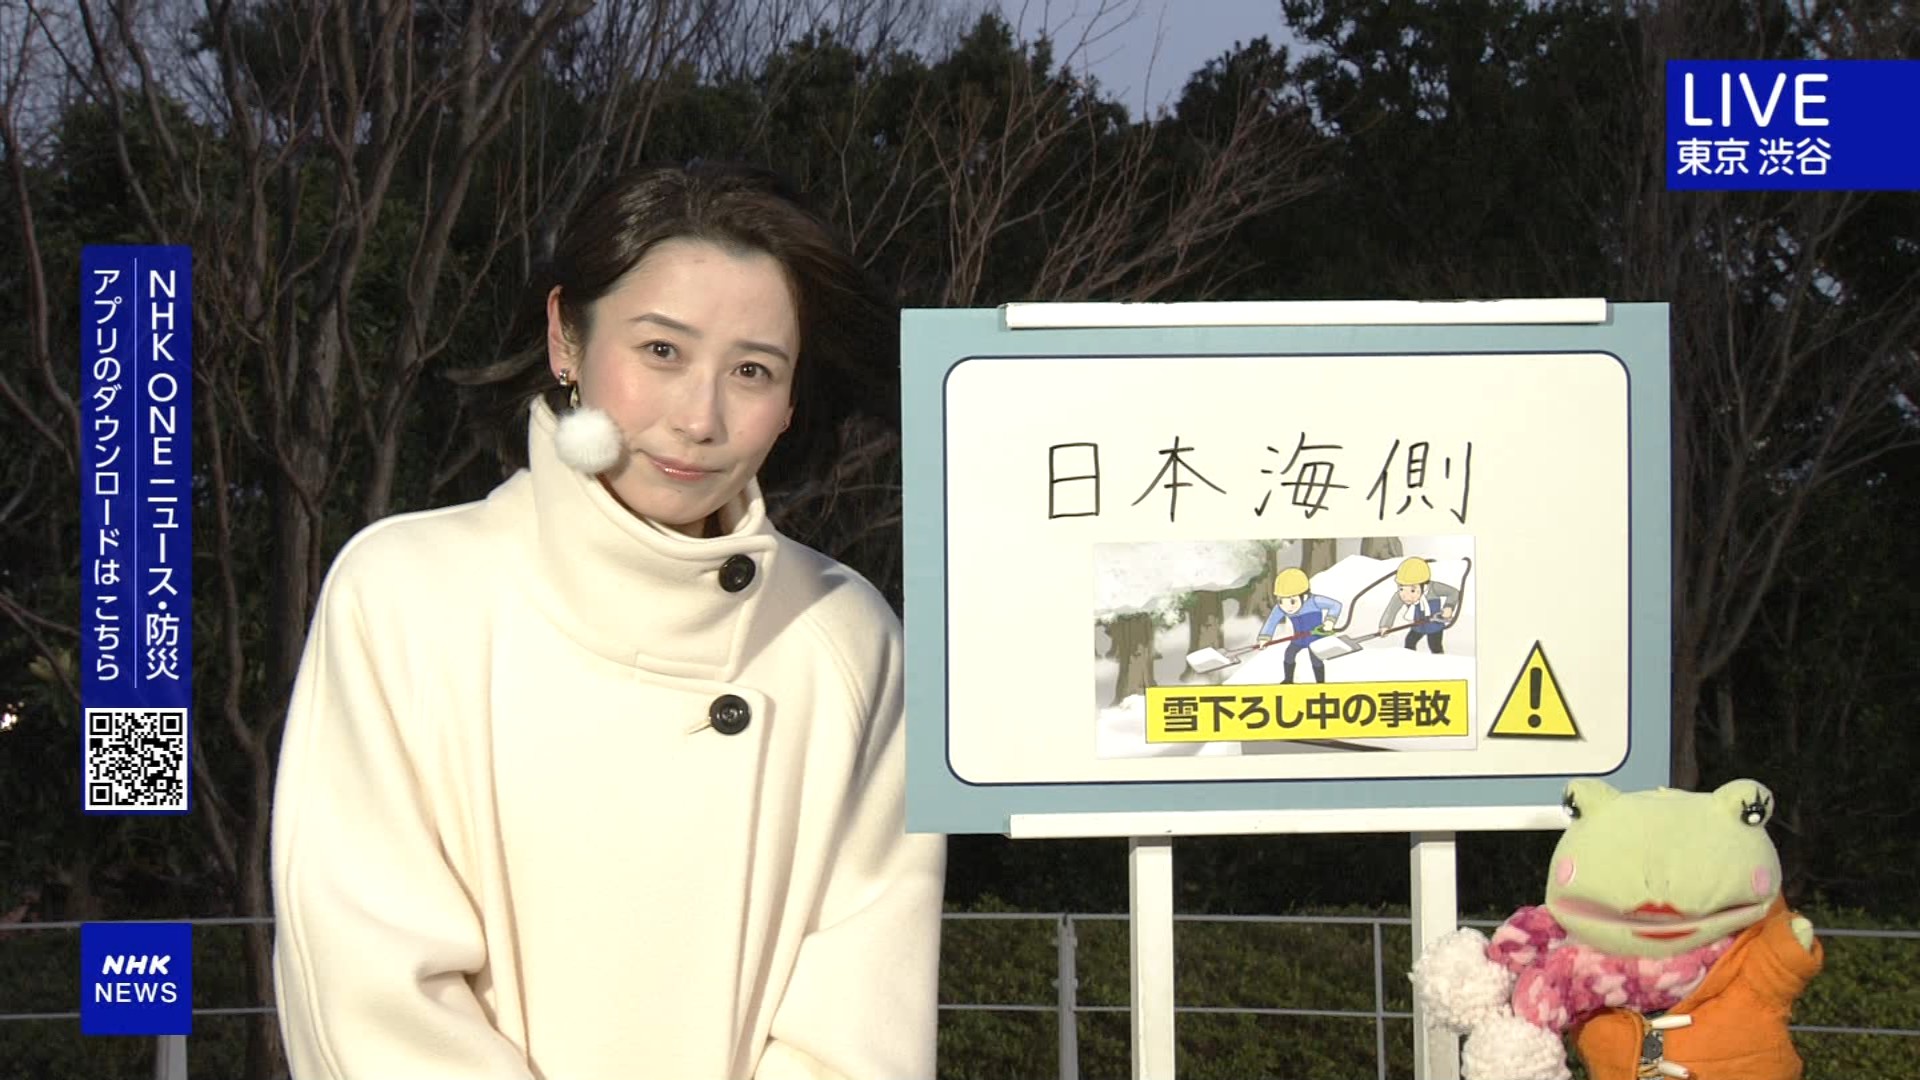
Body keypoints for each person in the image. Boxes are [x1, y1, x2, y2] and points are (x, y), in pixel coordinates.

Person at [269, 161, 946, 1080]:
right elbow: (376, 996)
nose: (700, 418)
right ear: (567, 339)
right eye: (662, 351)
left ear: (791, 402)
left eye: (752, 370)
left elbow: (859, 1025)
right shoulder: (405, 595)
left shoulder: (846, 639)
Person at [1256, 567, 1343, 684]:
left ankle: (1320, 683)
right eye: (1281, 601)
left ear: (1304, 596)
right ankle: (1288, 680)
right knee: (1289, 654)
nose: (1287, 607)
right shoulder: (1281, 608)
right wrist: (1265, 638)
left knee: (1316, 659)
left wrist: (1329, 621)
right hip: (1298, 639)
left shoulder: (1314, 601)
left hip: (1315, 637)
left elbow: (1336, 605)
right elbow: (1271, 621)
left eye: (1292, 601)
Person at [1378, 557, 1458, 654]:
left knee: (1435, 646)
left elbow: (1454, 592)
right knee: (1409, 642)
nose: (1406, 596)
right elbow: (1391, 609)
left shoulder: (1433, 588)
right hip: (1417, 626)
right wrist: (1385, 625)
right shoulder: (1400, 595)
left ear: (1424, 585)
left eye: (1412, 590)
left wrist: (1449, 606)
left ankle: (1440, 661)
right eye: (1401, 588)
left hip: (1434, 626)